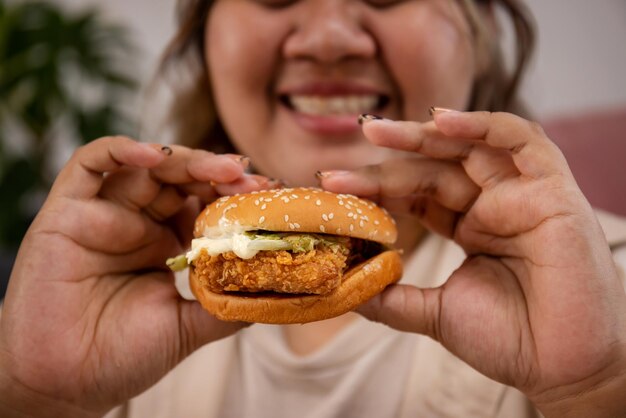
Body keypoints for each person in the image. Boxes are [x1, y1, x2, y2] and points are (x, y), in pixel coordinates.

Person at [1, 0, 625, 417]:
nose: (328, 39)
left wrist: (596, 391)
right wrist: (31, 398)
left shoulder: (608, 282)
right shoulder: (100, 298)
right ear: (204, 35)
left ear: (482, 32)